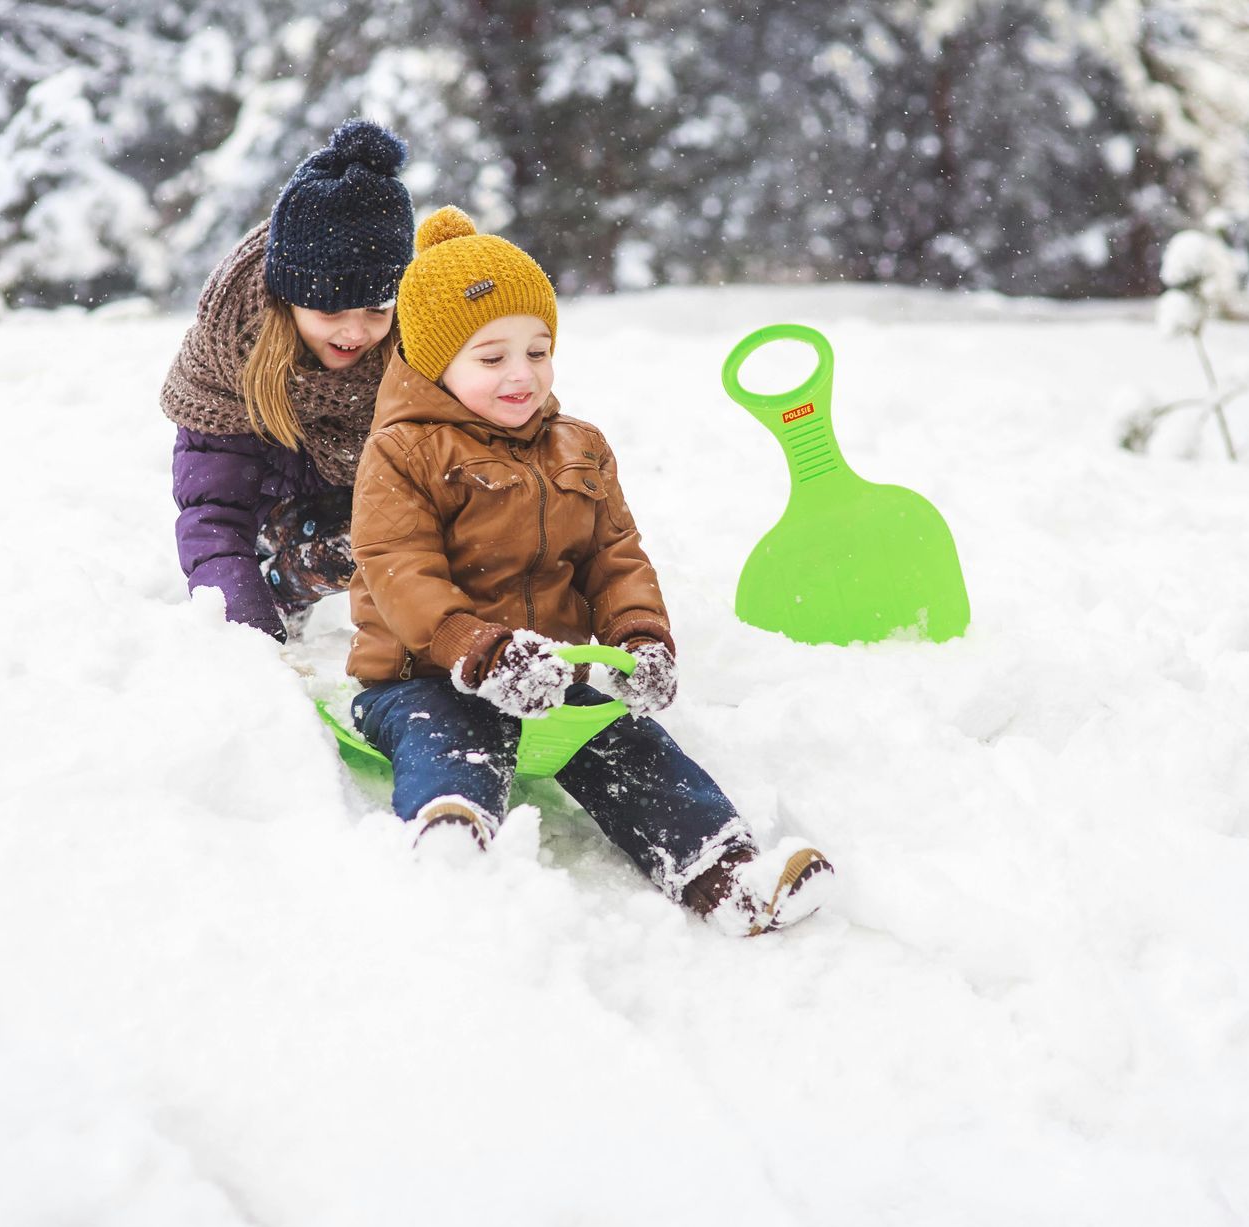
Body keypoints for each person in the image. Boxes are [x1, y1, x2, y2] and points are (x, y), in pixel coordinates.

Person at [345, 207, 837, 936]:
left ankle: (727, 877)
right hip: (423, 671)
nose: (522, 374)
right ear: (432, 363)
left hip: (556, 672)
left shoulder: (580, 446)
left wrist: (640, 638)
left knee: (632, 748)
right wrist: (476, 651)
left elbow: (616, 558)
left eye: (538, 350)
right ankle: (450, 836)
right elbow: (399, 570)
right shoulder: (403, 452)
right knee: (450, 732)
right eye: (491, 358)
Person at [161, 119, 415, 640]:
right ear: (287, 298)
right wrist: (254, 633)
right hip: (268, 521)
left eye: (375, 308)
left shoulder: (413, 351)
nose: (355, 330)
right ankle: (281, 588)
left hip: (371, 498)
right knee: (361, 538)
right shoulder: (231, 359)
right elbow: (214, 517)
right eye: (329, 309)